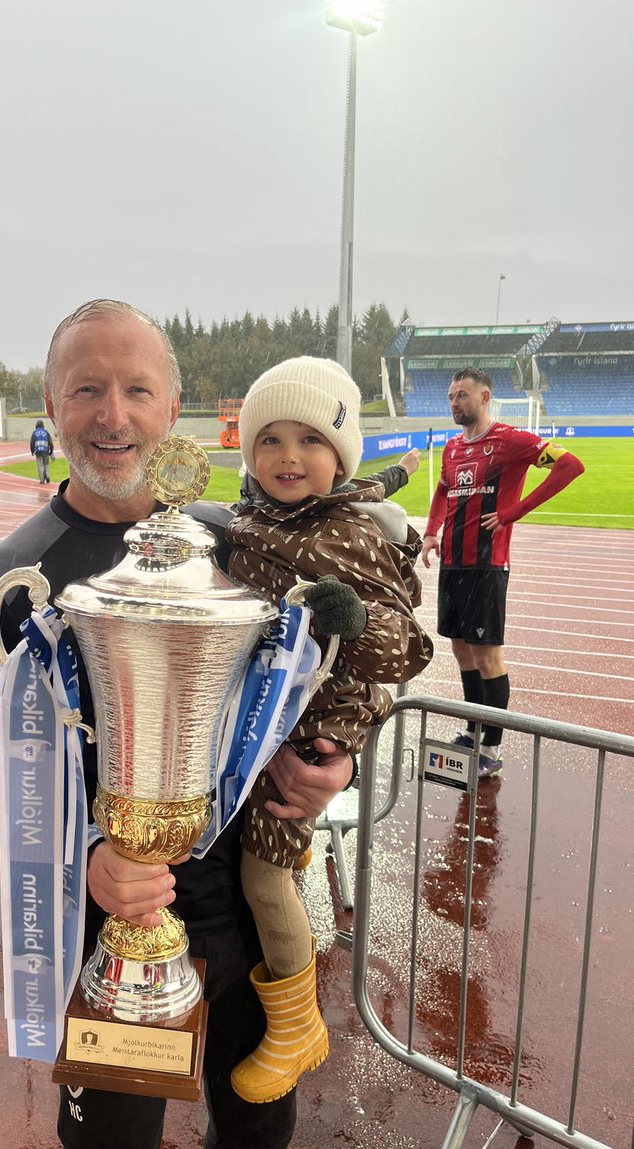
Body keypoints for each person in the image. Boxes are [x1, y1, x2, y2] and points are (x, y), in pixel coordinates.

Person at [0, 299, 355, 1149]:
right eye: (87, 389)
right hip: (104, 932)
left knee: (255, 1137)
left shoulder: (240, 546)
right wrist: (84, 857)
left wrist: (336, 766)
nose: (112, 415)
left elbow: (323, 674)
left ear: (176, 412)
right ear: (51, 406)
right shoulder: (4, 579)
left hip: (242, 911)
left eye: (137, 390)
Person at [224, 356, 433, 1105]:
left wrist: (356, 617)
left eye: (309, 440)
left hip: (307, 733)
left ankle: (298, 1026)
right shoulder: (249, 516)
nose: (286, 456)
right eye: (269, 439)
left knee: (265, 877)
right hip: (245, 726)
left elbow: (408, 647)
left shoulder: (344, 530)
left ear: (339, 455)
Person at [422, 367, 584, 776]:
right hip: (453, 564)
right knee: (460, 649)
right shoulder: (453, 448)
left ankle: (491, 750)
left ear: (484, 397)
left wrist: (514, 512)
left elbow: (570, 466)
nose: (455, 403)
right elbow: (443, 490)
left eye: (462, 395)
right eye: (451, 396)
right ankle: (474, 731)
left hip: (486, 565)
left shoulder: (511, 441)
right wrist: (430, 532)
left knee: (487, 655)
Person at [30, 417, 54, 483]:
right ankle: (48, 476)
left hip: (38, 451)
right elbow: (50, 442)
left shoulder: (34, 433)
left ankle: (42, 480)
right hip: (46, 451)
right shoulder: (46, 432)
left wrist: (32, 451)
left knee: (40, 465)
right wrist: (51, 451)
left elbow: (32, 443)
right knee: (46, 464)